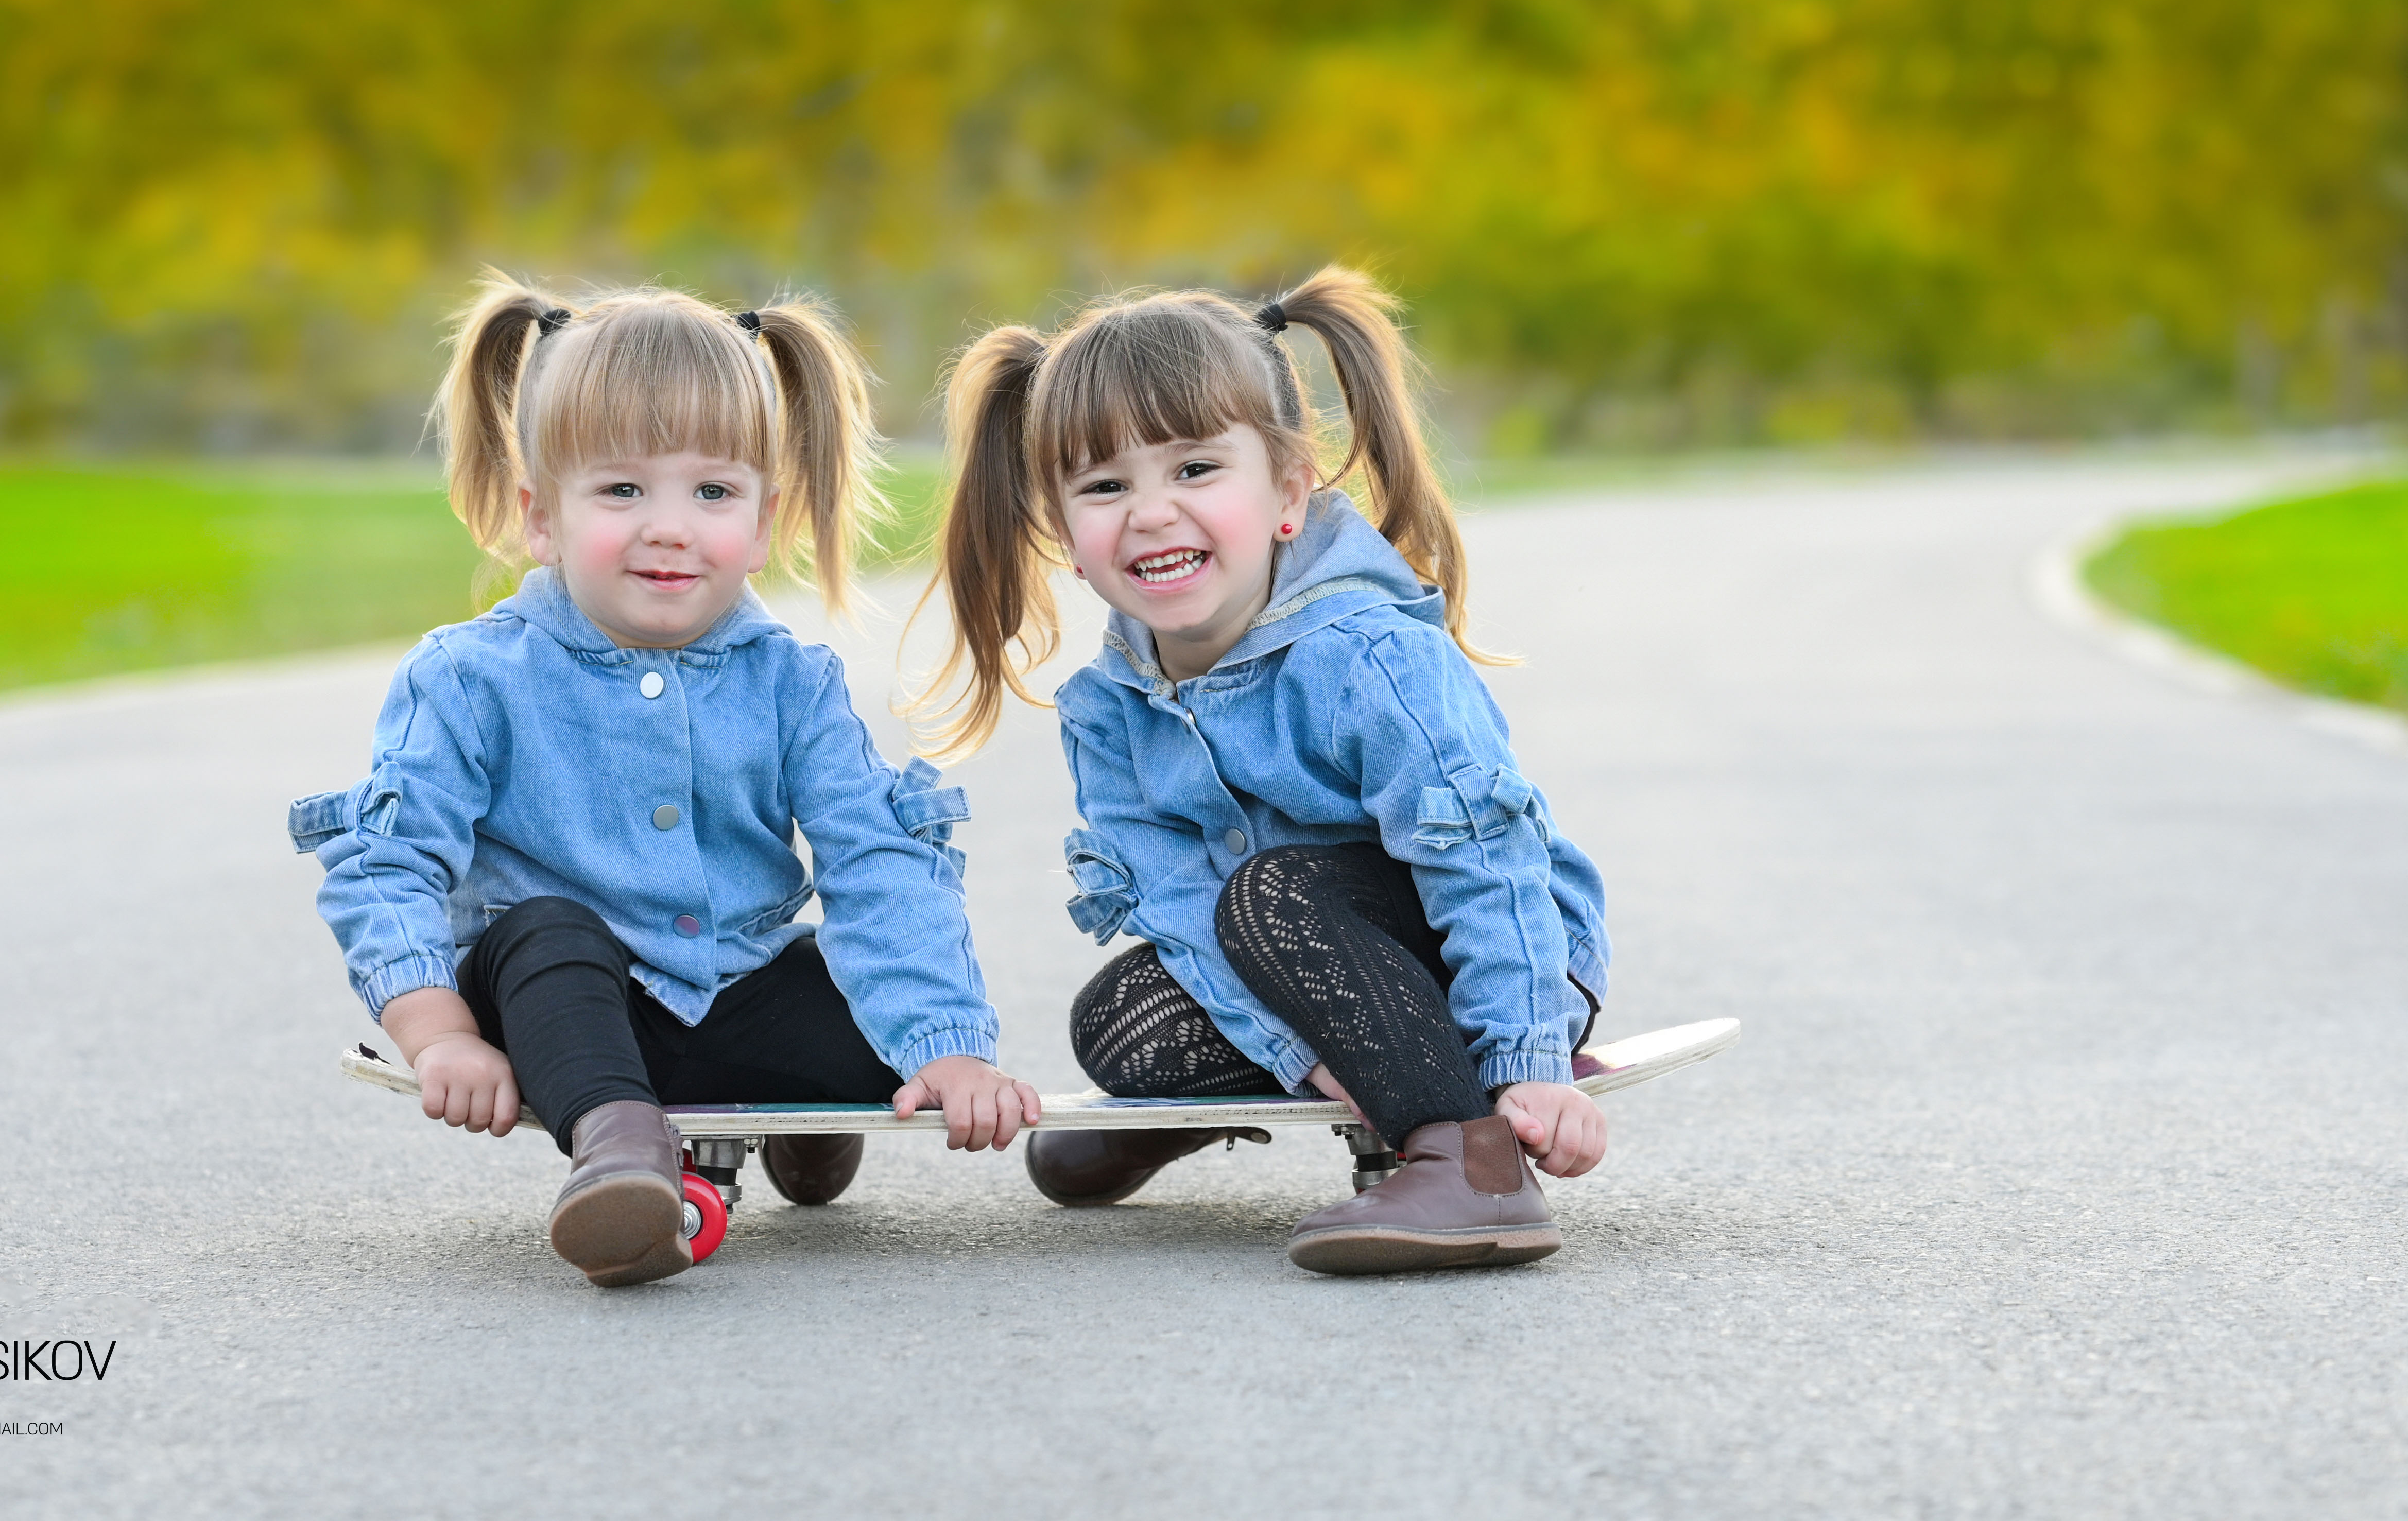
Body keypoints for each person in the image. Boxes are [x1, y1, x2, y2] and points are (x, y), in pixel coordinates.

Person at [293, 276, 1038, 1287]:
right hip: (573, 1018)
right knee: (546, 934)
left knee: (862, 980)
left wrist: (947, 1047)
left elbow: (876, 858)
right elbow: (389, 858)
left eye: (713, 492)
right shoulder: (471, 676)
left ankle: (801, 1121)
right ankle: (621, 1153)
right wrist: (438, 1034)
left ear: (766, 520)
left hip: (730, 991)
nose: (671, 526)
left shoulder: (793, 683)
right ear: (541, 517)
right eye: (623, 490)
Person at [914, 266, 1611, 1275]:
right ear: (1064, 536)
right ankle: (1372, 1073)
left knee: (1268, 892)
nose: (1150, 513)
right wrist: (1305, 1052)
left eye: (1195, 469)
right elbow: (1176, 901)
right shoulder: (1111, 709)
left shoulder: (1367, 655)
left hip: (1497, 950)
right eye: (1106, 486)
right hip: (1291, 948)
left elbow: (1486, 860)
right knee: (1120, 1022)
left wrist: (1531, 1059)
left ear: (1289, 493)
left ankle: (1474, 1155)